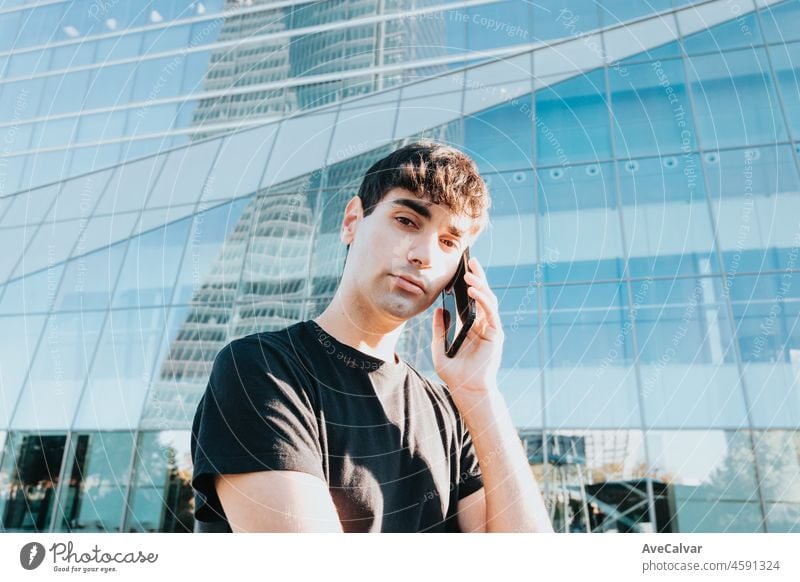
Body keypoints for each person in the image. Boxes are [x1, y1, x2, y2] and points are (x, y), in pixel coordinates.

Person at [190, 140, 553, 533]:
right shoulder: (262, 370)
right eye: (407, 221)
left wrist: (480, 393)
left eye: (449, 242)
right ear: (352, 222)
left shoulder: (453, 414)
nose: (424, 255)